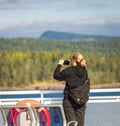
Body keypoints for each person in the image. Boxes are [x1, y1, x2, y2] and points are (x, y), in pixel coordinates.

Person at [53, 52, 90, 126]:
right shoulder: (85, 71)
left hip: (69, 100)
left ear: (74, 60)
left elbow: (56, 75)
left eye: (71, 59)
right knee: (80, 123)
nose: (70, 61)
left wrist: (59, 64)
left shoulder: (69, 70)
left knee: (71, 123)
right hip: (82, 100)